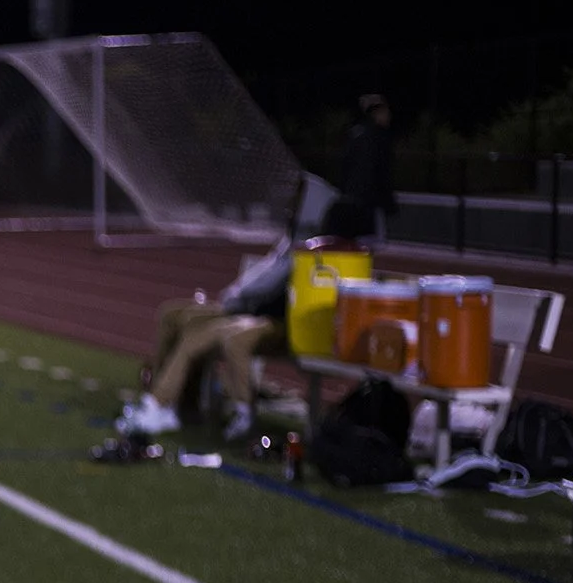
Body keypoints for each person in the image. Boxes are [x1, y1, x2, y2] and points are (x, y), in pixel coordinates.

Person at [115, 236, 291, 439]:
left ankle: (161, 403)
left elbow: (268, 289)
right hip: (244, 307)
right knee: (170, 314)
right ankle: (168, 402)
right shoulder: (288, 243)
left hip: (255, 312)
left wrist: (237, 298)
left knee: (193, 331)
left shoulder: (306, 248)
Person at [320, 93, 397, 242]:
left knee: (350, 245)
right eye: (386, 112)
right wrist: (388, 203)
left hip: (350, 201)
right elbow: (381, 173)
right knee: (372, 244)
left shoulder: (355, 134)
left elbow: (343, 169)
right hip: (369, 204)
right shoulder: (379, 138)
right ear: (377, 113)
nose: (388, 116)